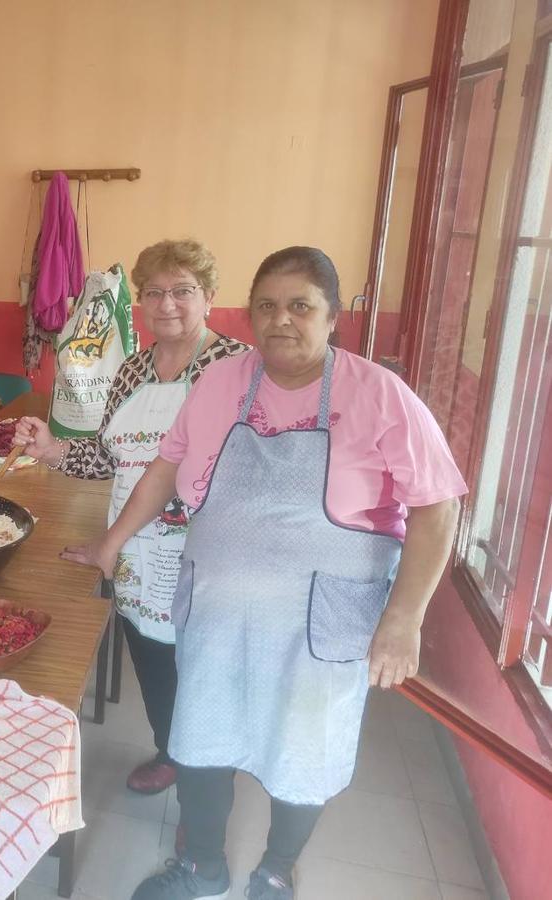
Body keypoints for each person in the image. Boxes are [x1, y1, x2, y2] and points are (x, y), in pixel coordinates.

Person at [63, 247, 466, 900]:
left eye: (300, 305)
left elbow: (437, 507)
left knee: (303, 748)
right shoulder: (222, 383)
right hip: (219, 610)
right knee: (200, 738)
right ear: (249, 314)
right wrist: (111, 543)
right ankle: (202, 866)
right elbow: (166, 466)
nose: (281, 319)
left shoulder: (379, 395)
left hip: (320, 621)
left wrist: (403, 619)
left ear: (331, 317)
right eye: (267, 306)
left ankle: (276, 868)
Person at [16, 239, 249, 796]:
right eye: (154, 292)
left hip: (207, 557)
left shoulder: (237, 367)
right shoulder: (131, 370)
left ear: (210, 297)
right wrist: (52, 449)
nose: (167, 304)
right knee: (152, 659)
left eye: (183, 291)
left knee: (208, 674)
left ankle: (208, 789)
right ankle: (170, 750)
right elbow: (109, 456)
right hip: (135, 554)